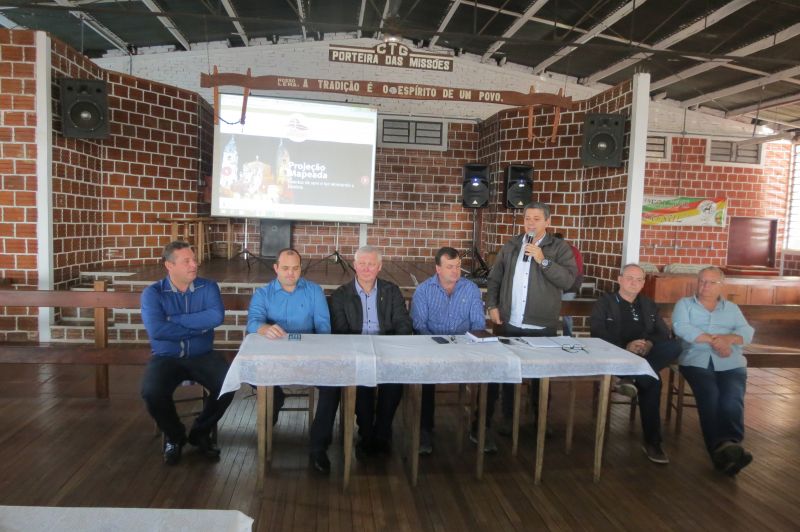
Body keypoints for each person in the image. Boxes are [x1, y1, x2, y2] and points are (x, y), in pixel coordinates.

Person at [309, 245, 412, 474]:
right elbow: (340, 330)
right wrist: (362, 352)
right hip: (356, 354)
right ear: (354, 266)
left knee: (394, 384)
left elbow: (403, 324)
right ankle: (365, 434)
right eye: (362, 264)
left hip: (386, 353)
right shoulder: (341, 295)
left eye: (371, 264)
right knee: (361, 385)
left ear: (379, 267)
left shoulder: (391, 291)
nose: (366, 268)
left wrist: (388, 349)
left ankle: (382, 435)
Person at [484, 201, 578, 438]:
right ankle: (508, 419)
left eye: (536, 219)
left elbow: (568, 281)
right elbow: (495, 278)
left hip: (541, 323)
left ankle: (540, 421)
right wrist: (492, 305)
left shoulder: (559, 248)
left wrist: (543, 260)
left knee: (540, 377)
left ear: (547, 221)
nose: (531, 223)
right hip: (511, 321)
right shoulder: (512, 245)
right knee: (510, 373)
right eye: (527, 218)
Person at [140, 241, 234, 465]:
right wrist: (198, 328)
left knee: (228, 385)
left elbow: (216, 317)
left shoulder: (208, 287)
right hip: (166, 356)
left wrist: (174, 320)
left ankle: (200, 433)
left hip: (203, 355)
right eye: (187, 261)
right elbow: (157, 330)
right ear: (169, 265)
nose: (195, 264)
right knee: (151, 392)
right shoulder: (153, 293)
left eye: (194, 259)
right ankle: (175, 436)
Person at [589, 263, 682, 464]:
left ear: (643, 283)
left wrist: (648, 344)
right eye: (630, 278)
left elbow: (662, 333)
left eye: (639, 279)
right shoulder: (605, 302)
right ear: (619, 279)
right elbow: (597, 333)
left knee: (675, 346)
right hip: (616, 353)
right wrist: (626, 346)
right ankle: (653, 443)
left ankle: (630, 377)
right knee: (652, 381)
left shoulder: (648, 304)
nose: (634, 283)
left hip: (646, 354)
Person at [672, 266, 754, 476]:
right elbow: (682, 328)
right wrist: (715, 341)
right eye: (702, 281)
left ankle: (730, 445)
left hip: (730, 360)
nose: (705, 286)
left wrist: (729, 339)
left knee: (732, 396)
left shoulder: (732, 309)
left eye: (711, 282)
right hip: (696, 359)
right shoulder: (685, 304)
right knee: (710, 394)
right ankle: (722, 448)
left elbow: (746, 332)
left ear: (721, 285)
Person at [410, 247, 485, 455]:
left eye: (458, 266)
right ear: (438, 269)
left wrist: (466, 345)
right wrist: (438, 347)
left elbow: (478, 324)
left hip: (465, 348)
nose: (455, 271)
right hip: (433, 348)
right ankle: (425, 429)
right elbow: (419, 326)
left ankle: (481, 427)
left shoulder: (470, 289)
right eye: (450, 267)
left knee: (492, 373)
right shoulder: (424, 290)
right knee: (425, 376)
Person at [246, 248, 331, 426]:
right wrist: (264, 328)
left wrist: (318, 354)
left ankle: (319, 436)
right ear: (276, 268)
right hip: (274, 358)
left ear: (301, 268)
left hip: (309, 356)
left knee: (333, 385)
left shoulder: (314, 291)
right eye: (285, 268)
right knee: (252, 373)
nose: (291, 273)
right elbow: (252, 322)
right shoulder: (263, 293)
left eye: (295, 268)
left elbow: (324, 329)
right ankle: (274, 405)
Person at [553, 232, 584, 336]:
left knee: (566, 311)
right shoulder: (561, 250)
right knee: (555, 310)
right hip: (562, 282)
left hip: (571, 283)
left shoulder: (571, 251)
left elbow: (574, 271)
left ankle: (567, 336)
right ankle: (554, 335)